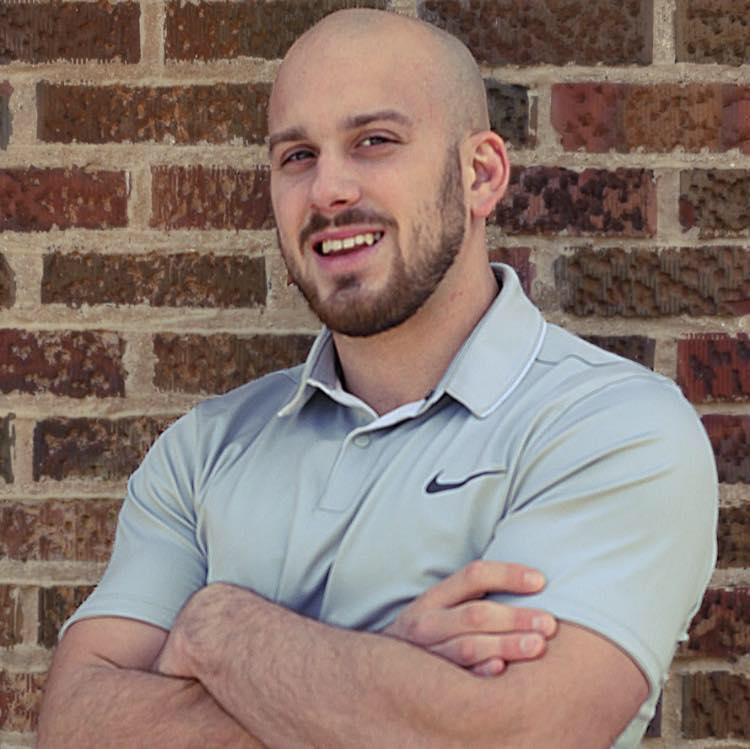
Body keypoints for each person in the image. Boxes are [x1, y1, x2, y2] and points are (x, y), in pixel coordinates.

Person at [38, 8, 717, 749]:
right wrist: (386, 673)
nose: (327, 189)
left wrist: (219, 631)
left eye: (374, 141)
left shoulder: (612, 430)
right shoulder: (203, 451)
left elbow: (509, 737)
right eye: (297, 155)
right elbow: (72, 727)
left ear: (480, 174)